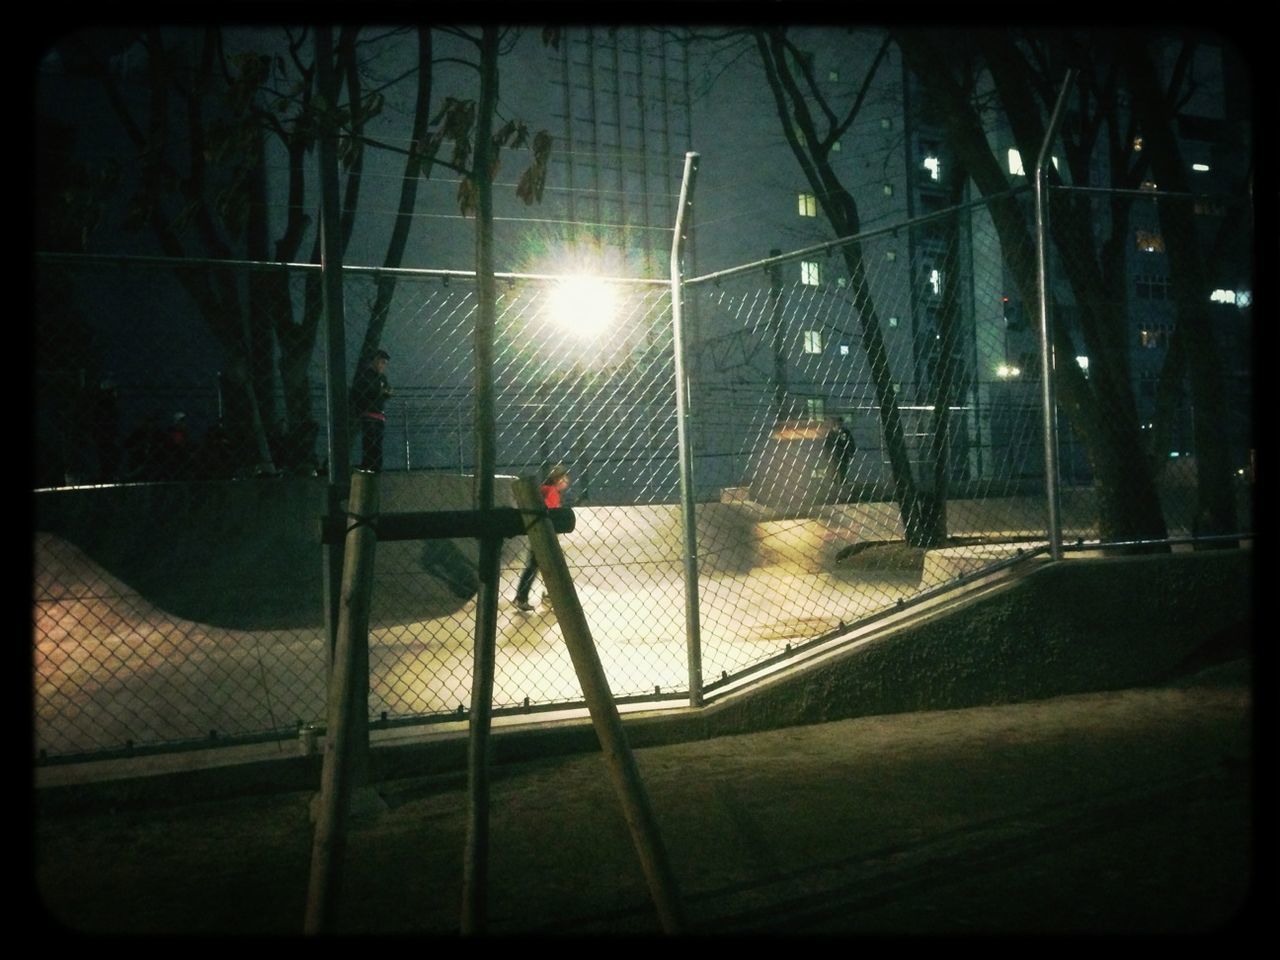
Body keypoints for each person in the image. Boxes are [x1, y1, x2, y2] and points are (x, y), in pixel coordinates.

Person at [514, 464, 571, 611]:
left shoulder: (543, 489)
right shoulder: (551, 492)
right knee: (544, 566)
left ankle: (530, 596)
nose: (566, 481)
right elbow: (550, 514)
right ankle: (542, 597)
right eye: (564, 478)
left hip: (537, 532)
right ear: (558, 479)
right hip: (545, 536)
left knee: (537, 566)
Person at [349, 349, 392, 472]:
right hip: (369, 413)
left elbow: (387, 391)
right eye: (382, 362)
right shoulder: (367, 375)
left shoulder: (382, 378)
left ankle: (375, 466)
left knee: (377, 442)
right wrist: (381, 392)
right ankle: (368, 464)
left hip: (379, 414)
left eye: (385, 363)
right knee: (369, 441)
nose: (383, 366)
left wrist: (384, 392)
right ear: (375, 360)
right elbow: (367, 392)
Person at [823, 415, 856, 484]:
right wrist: (826, 455)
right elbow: (827, 445)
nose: (840, 426)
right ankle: (834, 486)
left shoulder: (846, 432)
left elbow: (851, 443)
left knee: (842, 473)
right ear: (835, 424)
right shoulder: (831, 433)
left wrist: (851, 452)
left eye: (841, 424)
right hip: (834, 457)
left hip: (843, 456)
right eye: (838, 424)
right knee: (833, 473)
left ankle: (843, 485)